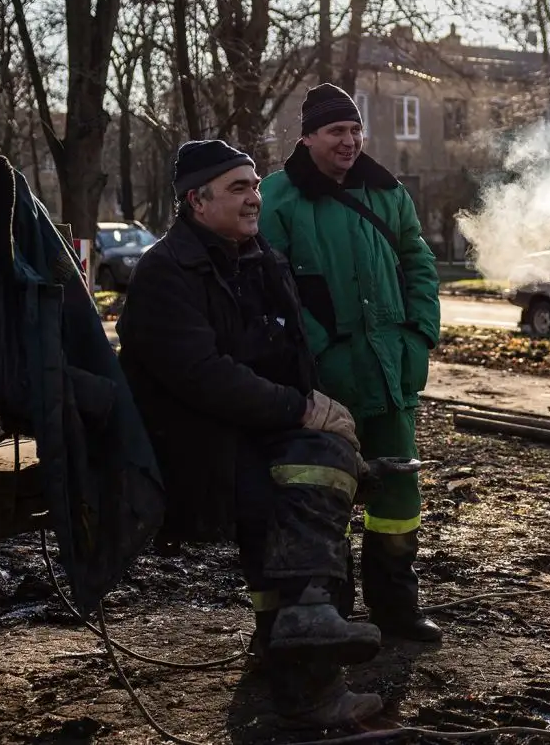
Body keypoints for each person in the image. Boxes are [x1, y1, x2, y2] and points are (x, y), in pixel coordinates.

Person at [116, 139, 385, 727]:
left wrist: (311, 409)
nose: (255, 198)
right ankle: (313, 682)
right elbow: (203, 377)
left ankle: (287, 642)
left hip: (247, 432)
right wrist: (300, 411)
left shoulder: (258, 258)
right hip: (190, 447)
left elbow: (290, 356)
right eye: (239, 187)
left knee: (323, 463)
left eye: (256, 186)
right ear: (196, 200)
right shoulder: (165, 272)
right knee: (312, 478)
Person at [260, 84, 443, 643]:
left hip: (392, 370)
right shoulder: (278, 197)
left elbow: (418, 260)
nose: (349, 140)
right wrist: (317, 353)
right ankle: (321, 612)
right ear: (308, 136)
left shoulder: (387, 192)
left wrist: (419, 333)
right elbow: (274, 284)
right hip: (325, 381)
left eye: (355, 129)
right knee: (321, 493)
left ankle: (396, 606)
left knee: (398, 496)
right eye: (336, 130)